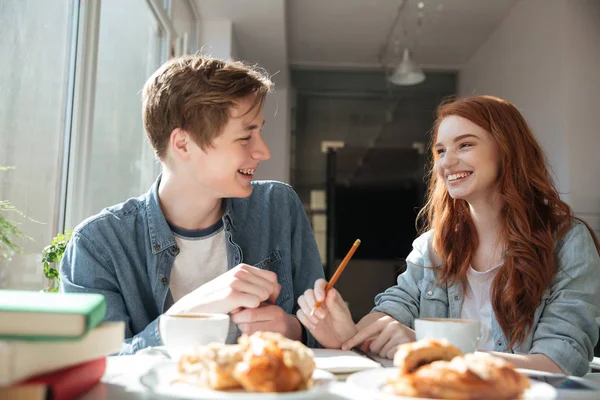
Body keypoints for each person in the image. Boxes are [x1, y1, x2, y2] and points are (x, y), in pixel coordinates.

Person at [296, 95, 600, 377]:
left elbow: (558, 364)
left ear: (507, 150)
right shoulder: (431, 247)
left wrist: (436, 352)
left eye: (465, 145)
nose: (446, 162)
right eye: (441, 151)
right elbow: (391, 315)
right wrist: (345, 332)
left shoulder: (567, 243)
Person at [60, 55, 324, 354]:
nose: (263, 151)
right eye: (245, 136)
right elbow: (96, 368)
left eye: (259, 131)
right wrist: (187, 313)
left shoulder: (277, 207)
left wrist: (295, 331)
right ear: (183, 144)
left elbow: (325, 331)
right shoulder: (98, 245)